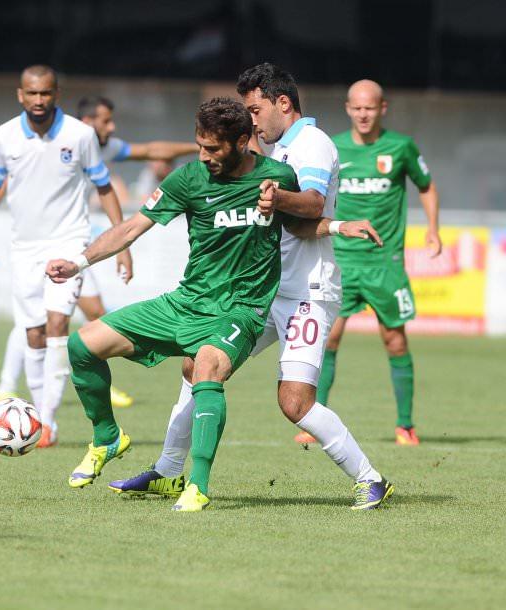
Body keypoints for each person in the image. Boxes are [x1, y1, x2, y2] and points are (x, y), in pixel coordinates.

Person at [110, 63, 394, 511]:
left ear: (283, 103)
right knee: (198, 364)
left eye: (256, 110)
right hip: (262, 293)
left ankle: (370, 478)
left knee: (295, 402)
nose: (252, 120)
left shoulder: (312, 144)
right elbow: (294, 221)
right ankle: (168, 471)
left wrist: (282, 199)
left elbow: (312, 204)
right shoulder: (277, 151)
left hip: (306, 293)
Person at [46, 97, 309, 512]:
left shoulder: (277, 176)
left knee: (206, 368)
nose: (203, 156)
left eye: (213, 149)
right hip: (186, 302)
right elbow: (132, 227)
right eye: (200, 146)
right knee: (82, 345)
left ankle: (197, 485)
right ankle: (107, 437)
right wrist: (78, 263)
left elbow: (306, 220)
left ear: (242, 141)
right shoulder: (188, 179)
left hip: (240, 308)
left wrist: (333, 224)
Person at [0, 64, 132, 449]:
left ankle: (48, 423)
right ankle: (39, 415)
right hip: (24, 247)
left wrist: (121, 244)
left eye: (46, 93)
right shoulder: (2, 137)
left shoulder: (80, 134)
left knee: (58, 324)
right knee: (34, 332)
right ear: (20, 95)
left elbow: (104, 187)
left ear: (57, 94)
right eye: (32, 93)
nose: (39, 100)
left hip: (69, 242)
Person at [0, 96, 198, 409]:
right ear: (88, 122)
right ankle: (7, 386)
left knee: (91, 315)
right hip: (38, 243)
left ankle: (94, 380)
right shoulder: (60, 141)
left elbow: (152, 150)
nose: (112, 127)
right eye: (106, 120)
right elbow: (8, 179)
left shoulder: (103, 146)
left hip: (71, 245)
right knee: (35, 320)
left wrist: (199, 147)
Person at [314, 79, 442, 446]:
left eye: (369, 107)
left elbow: (426, 185)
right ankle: (314, 421)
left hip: (385, 263)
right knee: (329, 338)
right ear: (347, 108)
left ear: (382, 108)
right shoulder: (333, 148)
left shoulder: (401, 147)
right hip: (341, 259)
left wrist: (433, 229)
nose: (363, 114)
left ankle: (405, 425)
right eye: (356, 107)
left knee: (394, 341)